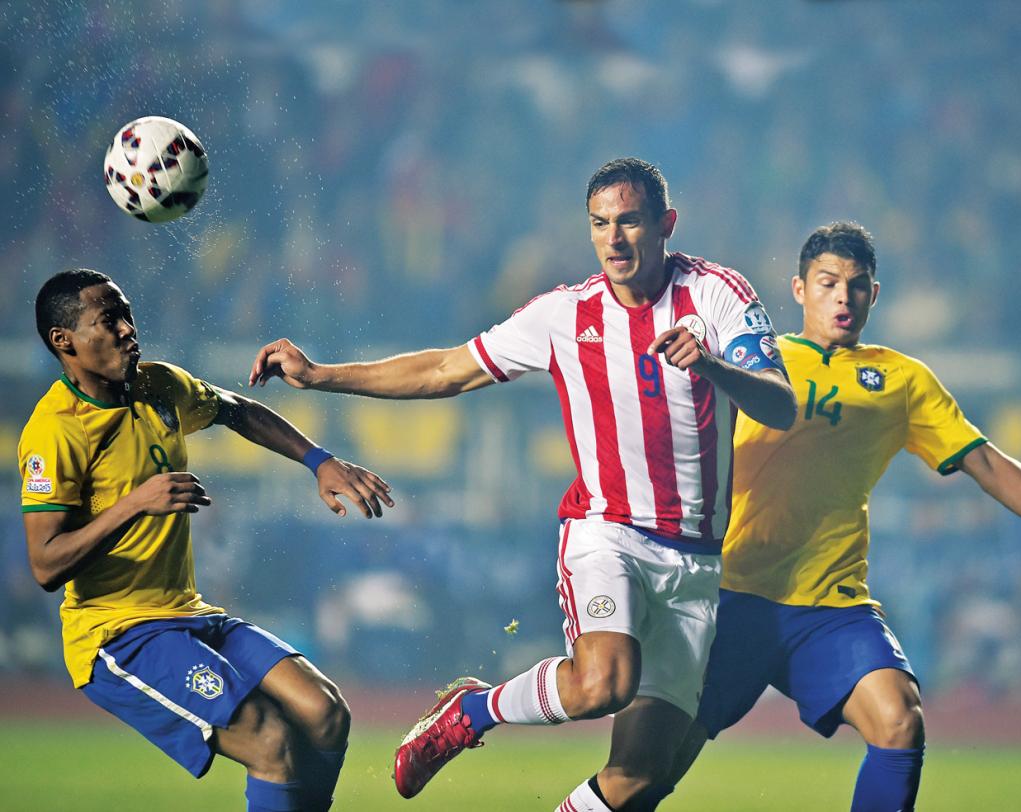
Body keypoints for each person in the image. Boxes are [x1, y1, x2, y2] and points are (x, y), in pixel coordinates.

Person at [247, 157, 798, 809]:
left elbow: (781, 406)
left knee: (641, 778)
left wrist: (711, 366)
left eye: (630, 222)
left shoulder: (717, 295)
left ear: (665, 224)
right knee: (603, 683)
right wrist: (320, 375)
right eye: (600, 224)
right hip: (607, 533)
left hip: (699, 563)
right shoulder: (566, 315)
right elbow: (446, 370)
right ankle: (473, 712)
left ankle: (490, 716)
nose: (614, 238)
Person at [661, 222, 1021, 811]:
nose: (843, 298)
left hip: (829, 605)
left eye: (857, 287)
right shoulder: (756, 361)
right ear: (799, 289)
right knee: (652, 766)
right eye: (828, 283)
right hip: (733, 594)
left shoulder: (901, 380)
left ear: (873, 296)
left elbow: (979, 455)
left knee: (899, 721)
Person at [19, 269, 396, 812]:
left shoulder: (158, 385)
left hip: (189, 613)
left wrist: (319, 461)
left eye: (128, 315)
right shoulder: (55, 431)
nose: (128, 330)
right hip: (117, 633)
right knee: (270, 741)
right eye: (108, 321)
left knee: (325, 712)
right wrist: (133, 504)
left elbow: (236, 410)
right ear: (64, 340)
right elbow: (46, 565)